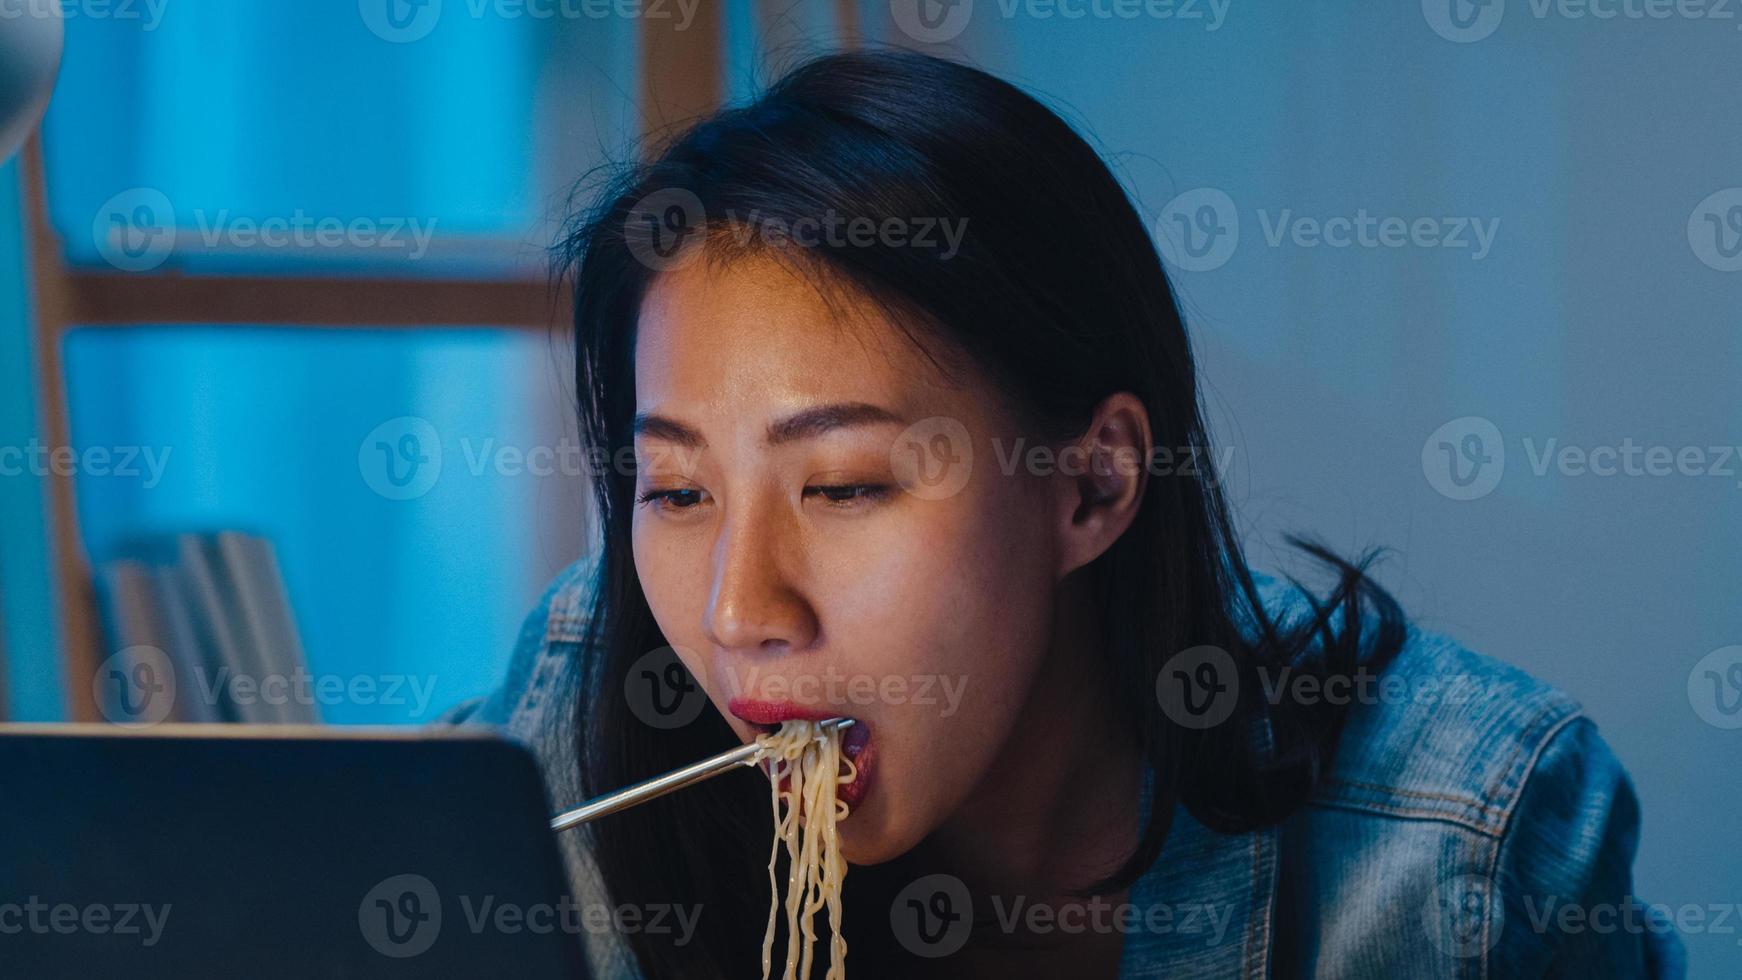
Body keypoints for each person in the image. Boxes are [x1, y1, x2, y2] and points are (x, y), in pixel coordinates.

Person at [449, 49, 1682, 979]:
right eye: (674, 491)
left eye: (843, 485)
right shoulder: (578, 715)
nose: (734, 611)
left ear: (1090, 483)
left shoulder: (1450, 844)